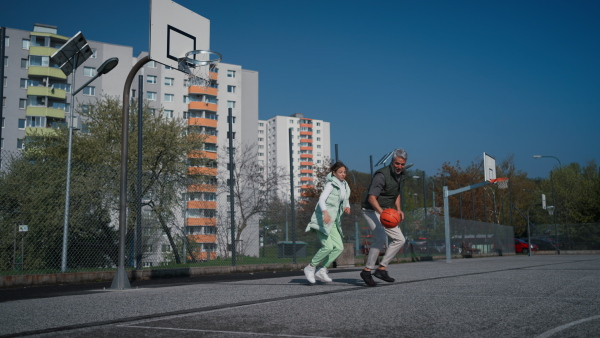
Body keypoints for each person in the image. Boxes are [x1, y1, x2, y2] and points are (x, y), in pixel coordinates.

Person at [360, 149, 408, 286]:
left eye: (402, 164)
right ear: (392, 162)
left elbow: (396, 193)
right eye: (397, 163)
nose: (399, 167)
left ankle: (381, 269)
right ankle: (367, 271)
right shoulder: (381, 175)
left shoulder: (401, 175)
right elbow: (371, 198)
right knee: (381, 237)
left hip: (386, 210)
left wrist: (398, 209)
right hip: (371, 209)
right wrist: (383, 213)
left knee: (400, 239)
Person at [303, 161, 351, 284]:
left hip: (334, 221)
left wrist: (347, 206)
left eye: (344, 172)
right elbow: (321, 200)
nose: (343, 174)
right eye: (340, 172)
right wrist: (325, 213)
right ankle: (310, 267)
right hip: (322, 220)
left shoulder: (344, 185)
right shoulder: (330, 184)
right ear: (334, 173)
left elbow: (345, 198)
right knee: (328, 247)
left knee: (339, 247)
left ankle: (322, 269)